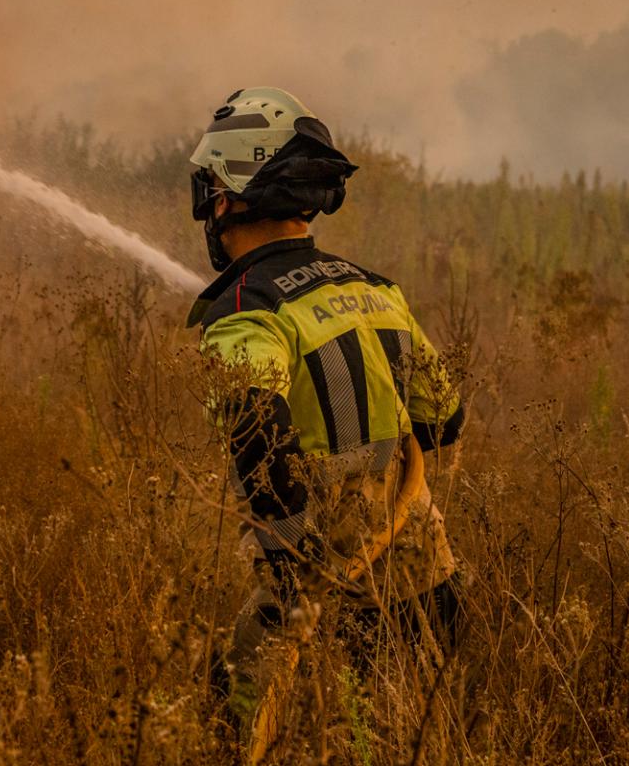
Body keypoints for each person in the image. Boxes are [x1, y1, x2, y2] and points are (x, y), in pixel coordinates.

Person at [184, 87, 466, 758]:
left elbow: (257, 433)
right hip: (430, 592)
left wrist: (292, 570)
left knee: (231, 732)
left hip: (323, 605)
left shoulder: (243, 305)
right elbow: (442, 420)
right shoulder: (374, 288)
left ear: (226, 195)